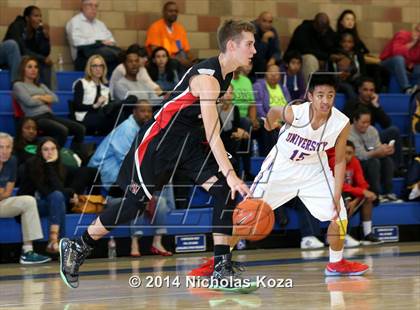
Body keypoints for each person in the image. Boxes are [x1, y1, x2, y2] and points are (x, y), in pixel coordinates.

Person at [59, 20, 256, 291]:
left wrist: (227, 174)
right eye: (249, 44)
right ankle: (78, 245)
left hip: (187, 145)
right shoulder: (208, 79)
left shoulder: (227, 75)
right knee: (134, 206)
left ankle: (221, 267)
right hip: (157, 145)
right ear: (232, 45)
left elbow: (204, 127)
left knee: (224, 190)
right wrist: (231, 173)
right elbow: (213, 132)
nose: (254, 50)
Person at [18, 137, 78, 254]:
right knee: (57, 198)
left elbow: (58, 190)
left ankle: (54, 241)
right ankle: (60, 243)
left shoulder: (60, 167)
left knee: (58, 199)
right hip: (30, 207)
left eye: (53, 149)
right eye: (45, 149)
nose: (50, 152)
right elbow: (45, 191)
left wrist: (51, 166)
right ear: (40, 151)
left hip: (49, 203)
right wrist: (70, 192)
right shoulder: (31, 165)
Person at [13, 56, 86, 150]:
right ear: (23, 69)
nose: (33, 70)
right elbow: (29, 102)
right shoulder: (18, 85)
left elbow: (55, 98)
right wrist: (46, 98)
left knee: (80, 129)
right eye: (29, 67)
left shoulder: (41, 86)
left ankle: (76, 156)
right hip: (35, 118)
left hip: (49, 116)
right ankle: (54, 157)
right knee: (63, 130)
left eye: (36, 67)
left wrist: (38, 97)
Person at [0, 132, 51, 264]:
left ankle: (27, 252)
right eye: (1, 147)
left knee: (28, 201)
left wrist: (2, 192)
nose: (4, 151)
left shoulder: (12, 161)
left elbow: (8, 192)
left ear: (12, 148)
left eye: (8, 147)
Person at [328, 141, 382, 246]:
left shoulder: (355, 162)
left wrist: (356, 200)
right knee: (345, 199)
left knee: (368, 198)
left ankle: (367, 234)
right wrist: (361, 192)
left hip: (350, 194)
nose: (347, 156)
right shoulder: (334, 162)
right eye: (345, 152)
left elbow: (362, 183)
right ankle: (341, 236)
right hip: (334, 195)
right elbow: (339, 186)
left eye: (350, 153)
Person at [343, 77, 403, 169]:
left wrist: (376, 106)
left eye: (371, 90)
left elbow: (386, 124)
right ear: (359, 90)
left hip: (371, 138)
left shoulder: (373, 105)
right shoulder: (352, 104)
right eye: (365, 90)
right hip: (354, 139)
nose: (369, 93)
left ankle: (398, 166)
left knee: (393, 131)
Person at [348, 108, 402, 203]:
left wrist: (385, 150)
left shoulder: (372, 130)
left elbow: (377, 147)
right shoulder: (348, 133)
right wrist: (377, 152)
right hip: (355, 163)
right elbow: (360, 155)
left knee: (387, 160)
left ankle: (388, 193)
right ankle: (376, 194)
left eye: (368, 122)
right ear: (355, 120)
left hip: (370, 158)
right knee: (374, 162)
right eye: (363, 122)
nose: (366, 125)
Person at [335, 9, 388, 92]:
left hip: (358, 63)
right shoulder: (336, 37)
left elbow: (365, 52)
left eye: (352, 20)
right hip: (346, 69)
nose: (350, 22)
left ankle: (377, 91)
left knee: (379, 69)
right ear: (341, 22)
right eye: (347, 19)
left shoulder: (356, 38)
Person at [3, 5, 52, 87]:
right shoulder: (16, 26)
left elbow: (44, 53)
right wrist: (42, 58)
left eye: (40, 16)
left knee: (48, 63)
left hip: (22, 58)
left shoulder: (38, 31)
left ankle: (50, 91)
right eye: (36, 16)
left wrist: (46, 38)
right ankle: (16, 84)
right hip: (6, 57)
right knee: (12, 44)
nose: (39, 19)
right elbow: (21, 49)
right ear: (27, 18)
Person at [66, 0, 122, 72]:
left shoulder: (100, 24)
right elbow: (76, 42)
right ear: (83, 7)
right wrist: (99, 42)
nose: (93, 8)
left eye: (96, 6)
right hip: (84, 59)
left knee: (121, 56)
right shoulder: (74, 22)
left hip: (106, 56)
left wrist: (103, 43)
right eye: (90, 5)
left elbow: (112, 41)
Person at [72, 54, 118, 135]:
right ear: (89, 68)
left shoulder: (106, 87)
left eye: (101, 66)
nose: (98, 69)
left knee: (117, 114)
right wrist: (95, 105)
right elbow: (77, 106)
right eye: (95, 66)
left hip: (101, 117)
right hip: (84, 118)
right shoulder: (81, 83)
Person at [285, 13, 336, 82]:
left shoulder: (327, 31)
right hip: (298, 59)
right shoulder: (303, 29)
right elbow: (304, 49)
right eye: (321, 28)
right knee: (311, 59)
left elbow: (333, 46)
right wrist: (324, 56)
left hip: (322, 61)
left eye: (325, 28)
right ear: (315, 24)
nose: (323, 31)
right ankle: (310, 89)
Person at [145, 1, 194, 70]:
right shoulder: (155, 27)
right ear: (164, 12)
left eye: (176, 11)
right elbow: (156, 52)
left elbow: (187, 51)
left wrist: (193, 61)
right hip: (163, 61)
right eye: (170, 11)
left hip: (180, 58)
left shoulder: (180, 28)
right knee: (174, 63)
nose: (174, 13)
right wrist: (179, 60)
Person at [380, 23, 420, 94]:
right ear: (414, 30)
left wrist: (411, 65)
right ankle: (406, 88)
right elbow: (397, 52)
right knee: (399, 59)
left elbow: (416, 60)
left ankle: (417, 91)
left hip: (406, 68)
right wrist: (413, 42)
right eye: (417, 31)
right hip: (388, 63)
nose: (418, 34)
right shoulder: (402, 34)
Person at [250, 11, 281, 81]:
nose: (267, 24)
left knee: (278, 65)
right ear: (258, 21)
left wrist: (273, 58)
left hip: (267, 64)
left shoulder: (272, 31)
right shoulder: (251, 31)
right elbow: (256, 55)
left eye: (270, 22)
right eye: (264, 21)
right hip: (253, 64)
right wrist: (264, 41)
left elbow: (277, 51)